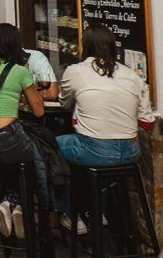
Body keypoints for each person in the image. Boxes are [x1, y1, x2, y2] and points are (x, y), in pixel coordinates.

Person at [56, 23, 154, 233]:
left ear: (85, 46)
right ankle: (97, 213)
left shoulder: (75, 71)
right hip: (130, 152)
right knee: (99, 154)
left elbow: (64, 103)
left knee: (49, 146)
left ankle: (73, 215)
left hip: (94, 150)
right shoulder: (133, 76)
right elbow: (148, 123)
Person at [0, 23, 47, 239]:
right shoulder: (19, 71)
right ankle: (18, 203)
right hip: (9, 140)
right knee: (39, 152)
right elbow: (39, 111)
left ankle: (4, 201)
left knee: (8, 159)